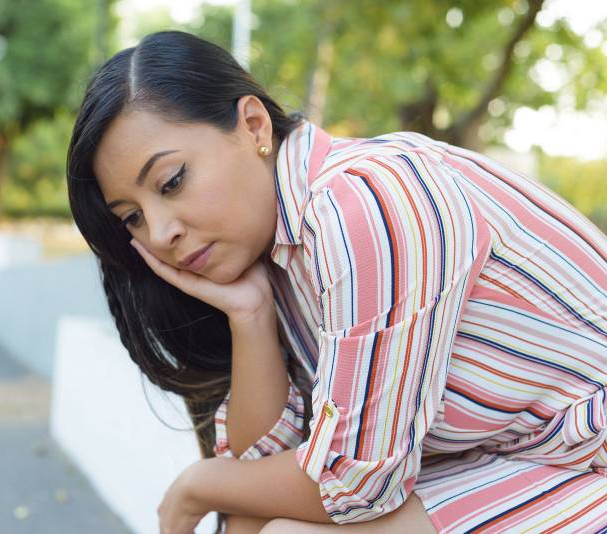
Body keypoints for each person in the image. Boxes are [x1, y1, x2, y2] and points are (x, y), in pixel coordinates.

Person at [66, 30, 607, 534]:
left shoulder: (368, 206)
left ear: (253, 126)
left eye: (171, 182)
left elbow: (356, 484)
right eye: (132, 217)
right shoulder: (273, 252)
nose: (161, 233)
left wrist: (197, 485)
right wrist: (250, 315)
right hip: (516, 460)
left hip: (587, 457)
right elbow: (262, 466)